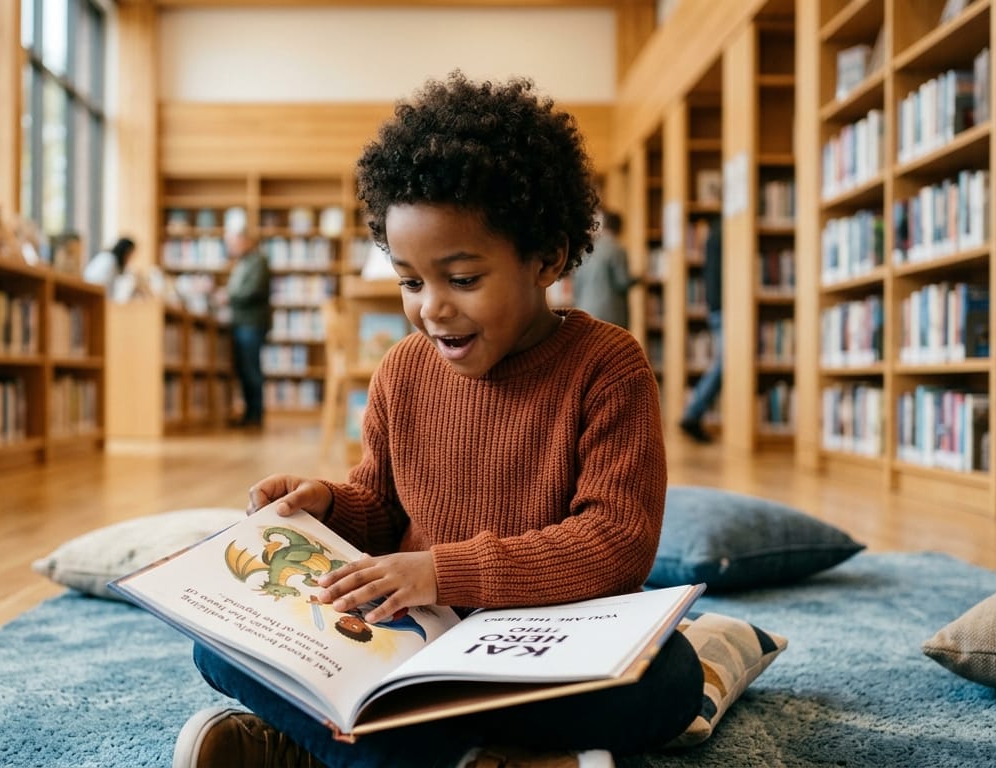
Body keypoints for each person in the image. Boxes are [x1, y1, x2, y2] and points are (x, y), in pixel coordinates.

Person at [175, 72, 701, 768]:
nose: (431, 308)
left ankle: (336, 750)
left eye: (462, 279)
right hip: (415, 638)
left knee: (670, 679)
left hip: (542, 644)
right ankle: (480, 759)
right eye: (411, 281)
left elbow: (616, 543)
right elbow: (385, 510)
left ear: (545, 258)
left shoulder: (608, 364)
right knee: (217, 643)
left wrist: (441, 573)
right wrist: (327, 506)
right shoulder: (402, 369)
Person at [679, 216, 723, 444]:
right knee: (724, 363)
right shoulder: (724, 231)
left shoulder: (713, 233)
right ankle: (693, 413)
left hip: (715, 304)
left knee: (724, 362)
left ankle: (693, 413)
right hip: (725, 306)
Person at [225, 228, 272, 428]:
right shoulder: (244, 262)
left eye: (235, 242)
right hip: (242, 321)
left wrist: (228, 297)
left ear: (247, 240)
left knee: (251, 369)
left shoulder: (258, 262)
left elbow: (252, 291)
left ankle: (255, 414)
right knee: (245, 369)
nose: (232, 247)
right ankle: (249, 412)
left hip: (251, 323)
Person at [571, 209, 635, 328]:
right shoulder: (617, 249)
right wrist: (639, 279)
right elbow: (622, 282)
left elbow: (576, 283)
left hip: (585, 309)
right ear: (620, 228)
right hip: (610, 313)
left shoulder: (586, 250)